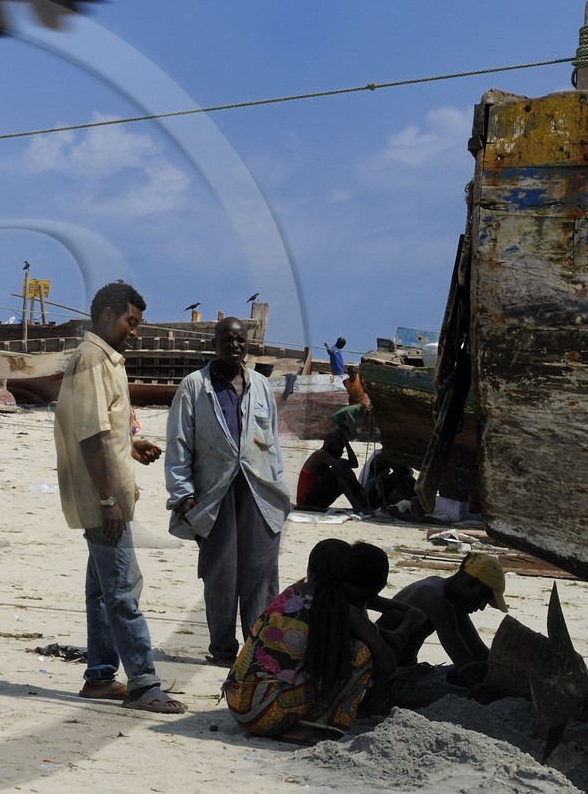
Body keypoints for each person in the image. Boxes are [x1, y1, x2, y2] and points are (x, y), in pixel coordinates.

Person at [54, 282, 182, 713]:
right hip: (103, 501)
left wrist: (130, 445)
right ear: (108, 315)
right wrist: (108, 500)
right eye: (131, 321)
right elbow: (89, 436)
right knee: (124, 589)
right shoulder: (92, 359)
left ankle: (100, 677)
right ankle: (145, 684)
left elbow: (105, 431)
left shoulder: (105, 359)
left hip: (108, 496)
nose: (135, 331)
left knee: (102, 590)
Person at [166, 317, 292, 667]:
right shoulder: (194, 386)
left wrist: (280, 491)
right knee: (220, 574)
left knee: (261, 574)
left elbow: (272, 444)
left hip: (259, 492)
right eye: (227, 339)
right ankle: (222, 650)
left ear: (247, 344)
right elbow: (178, 442)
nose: (235, 345)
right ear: (215, 344)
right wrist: (182, 493)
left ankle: (256, 652)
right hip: (215, 494)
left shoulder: (261, 386)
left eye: (240, 339)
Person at [222, 539, 401, 743]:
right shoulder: (341, 610)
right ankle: (315, 725)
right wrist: (372, 703)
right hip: (267, 714)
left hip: (238, 702)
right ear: (347, 576)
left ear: (310, 567)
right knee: (361, 653)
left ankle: (296, 723)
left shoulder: (292, 592)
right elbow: (387, 661)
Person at [382, 552, 507, 678]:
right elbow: (464, 664)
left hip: (400, 669)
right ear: (472, 583)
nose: (482, 607)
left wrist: (500, 669)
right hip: (388, 675)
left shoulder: (444, 590)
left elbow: (477, 648)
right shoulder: (436, 599)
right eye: (483, 598)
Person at [295, 428, 370, 512]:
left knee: (343, 467)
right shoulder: (320, 454)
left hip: (317, 499)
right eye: (340, 448)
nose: (342, 452)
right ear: (330, 446)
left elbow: (354, 464)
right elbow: (340, 468)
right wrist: (358, 487)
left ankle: (360, 504)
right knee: (336, 471)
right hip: (306, 502)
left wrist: (347, 443)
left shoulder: (329, 458)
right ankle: (357, 506)